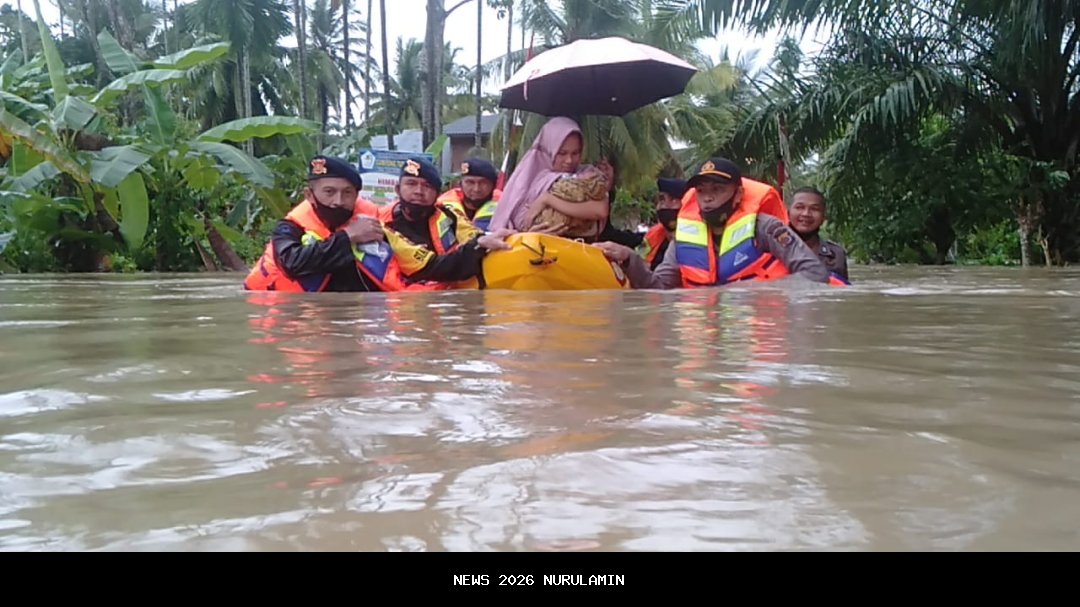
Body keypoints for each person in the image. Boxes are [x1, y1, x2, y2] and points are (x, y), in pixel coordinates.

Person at [593, 157, 830, 289]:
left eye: (717, 189)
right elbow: (661, 289)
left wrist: (754, 292)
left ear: (738, 195)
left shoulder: (766, 227)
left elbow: (815, 273)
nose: (707, 197)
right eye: (701, 190)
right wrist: (629, 259)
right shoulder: (684, 238)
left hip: (759, 329)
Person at [244, 155, 397, 292]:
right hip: (305, 316)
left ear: (356, 195)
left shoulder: (375, 225)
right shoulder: (288, 228)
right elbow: (292, 264)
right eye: (329, 192)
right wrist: (348, 237)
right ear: (309, 195)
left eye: (347, 193)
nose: (338, 201)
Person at [380, 156, 513, 289]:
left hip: (448, 296)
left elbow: (472, 235)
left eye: (427, 186)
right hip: (400, 301)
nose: (419, 192)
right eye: (411, 184)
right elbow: (430, 267)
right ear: (398, 190)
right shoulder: (381, 224)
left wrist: (485, 240)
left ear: (437, 194)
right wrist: (477, 246)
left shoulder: (449, 214)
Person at [487, 116, 610, 241]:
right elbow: (518, 224)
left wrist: (547, 199)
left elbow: (600, 210)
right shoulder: (524, 181)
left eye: (575, 153)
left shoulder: (587, 173)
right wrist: (529, 235)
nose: (569, 160)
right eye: (562, 153)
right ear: (548, 149)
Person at [789, 186, 850, 283]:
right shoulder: (772, 248)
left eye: (814, 209)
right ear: (788, 213)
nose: (806, 214)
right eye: (799, 207)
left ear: (823, 218)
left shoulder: (835, 255)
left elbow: (841, 290)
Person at [436, 157, 501, 231]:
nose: (476, 189)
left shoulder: (506, 206)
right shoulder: (442, 207)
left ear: (493, 185)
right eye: (470, 182)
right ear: (460, 184)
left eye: (483, 183)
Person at [636, 178, 686, 270]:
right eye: (661, 200)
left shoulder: (697, 237)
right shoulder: (653, 234)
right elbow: (638, 260)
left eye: (663, 199)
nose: (660, 206)